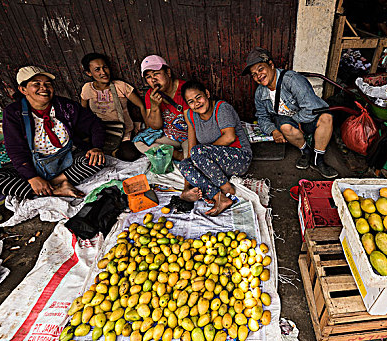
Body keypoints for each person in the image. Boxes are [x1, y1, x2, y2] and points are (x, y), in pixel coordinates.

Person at [0, 66, 105, 202]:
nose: (43, 88)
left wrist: (96, 147)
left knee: (96, 161)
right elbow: (15, 149)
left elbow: (95, 124)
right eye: (36, 84)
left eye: (47, 84)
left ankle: (51, 185)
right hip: (34, 166)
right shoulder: (14, 113)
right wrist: (32, 178)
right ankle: (57, 190)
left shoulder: (66, 106)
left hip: (66, 161)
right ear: (23, 89)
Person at [243, 47, 338, 178]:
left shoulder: (292, 80)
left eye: (261, 69)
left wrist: (298, 121)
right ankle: (306, 151)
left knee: (327, 118)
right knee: (285, 126)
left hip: (306, 116)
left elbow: (311, 108)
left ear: (271, 65)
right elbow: (261, 117)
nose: (258, 75)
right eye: (254, 74)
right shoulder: (260, 93)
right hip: (287, 121)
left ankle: (318, 159)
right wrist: (273, 131)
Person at [179, 80, 252, 216]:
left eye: (198, 97)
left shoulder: (221, 108)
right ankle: (219, 197)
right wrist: (187, 186)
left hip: (239, 158)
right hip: (212, 163)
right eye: (191, 101)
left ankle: (226, 187)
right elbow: (191, 149)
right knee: (184, 164)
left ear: (207, 93)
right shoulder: (190, 115)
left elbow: (229, 137)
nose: (196, 103)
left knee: (198, 152)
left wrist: (202, 155)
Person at [80, 53, 146, 160]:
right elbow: (83, 114)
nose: (103, 72)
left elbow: (141, 106)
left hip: (122, 132)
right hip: (100, 133)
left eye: (105, 67)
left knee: (131, 155)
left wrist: (147, 127)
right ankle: (109, 151)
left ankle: (111, 153)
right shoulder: (87, 89)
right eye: (97, 69)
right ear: (89, 73)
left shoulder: (120, 86)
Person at [139, 55, 189, 160]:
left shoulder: (185, 89)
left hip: (188, 137)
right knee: (139, 142)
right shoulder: (150, 94)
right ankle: (175, 154)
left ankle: (177, 155)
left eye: (156, 73)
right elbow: (155, 126)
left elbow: (193, 125)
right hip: (169, 136)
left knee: (191, 158)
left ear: (168, 73)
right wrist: (154, 106)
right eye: (148, 77)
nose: (153, 80)